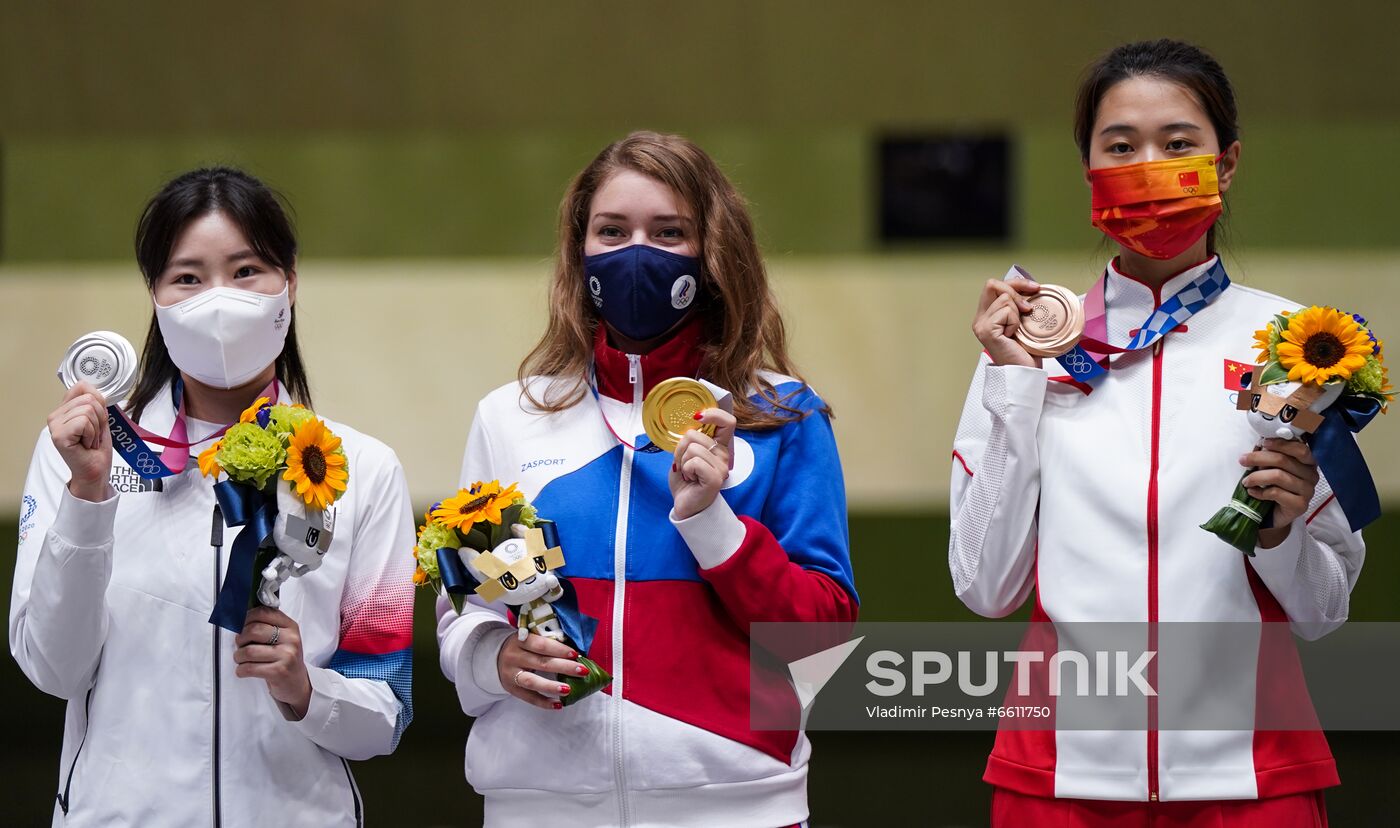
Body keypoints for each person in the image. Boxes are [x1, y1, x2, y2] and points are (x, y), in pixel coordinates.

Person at [951, 39, 1360, 826]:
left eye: (1177, 144)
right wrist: (1014, 384)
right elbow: (985, 586)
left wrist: (1281, 537)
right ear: (1088, 169)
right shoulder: (1028, 347)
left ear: (1226, 163)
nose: (1148, 167)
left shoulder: (1297, 348)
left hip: (1251, 778)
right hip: (1060, 779)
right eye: (1120, 147)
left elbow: (1324, 610)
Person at [437, 131, 858, 827]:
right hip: (539, 809)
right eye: (612, 231)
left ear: (713, 251)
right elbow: (466, 604)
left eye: (668, 232)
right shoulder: (511, 416)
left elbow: (819, 647)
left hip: (736, 809)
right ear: (580, 251)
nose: (638, 254)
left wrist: (712, 522)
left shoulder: (783, 415)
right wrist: (492, 659)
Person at [10, 167, 416, 827]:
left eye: (246, 270)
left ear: (290, 283)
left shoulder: (361, 471)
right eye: (189, 278)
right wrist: (87, 496)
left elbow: (385, 716)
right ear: (156, 296)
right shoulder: (84, 452)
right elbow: (53, 669)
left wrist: (305, 691)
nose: (220, 299)